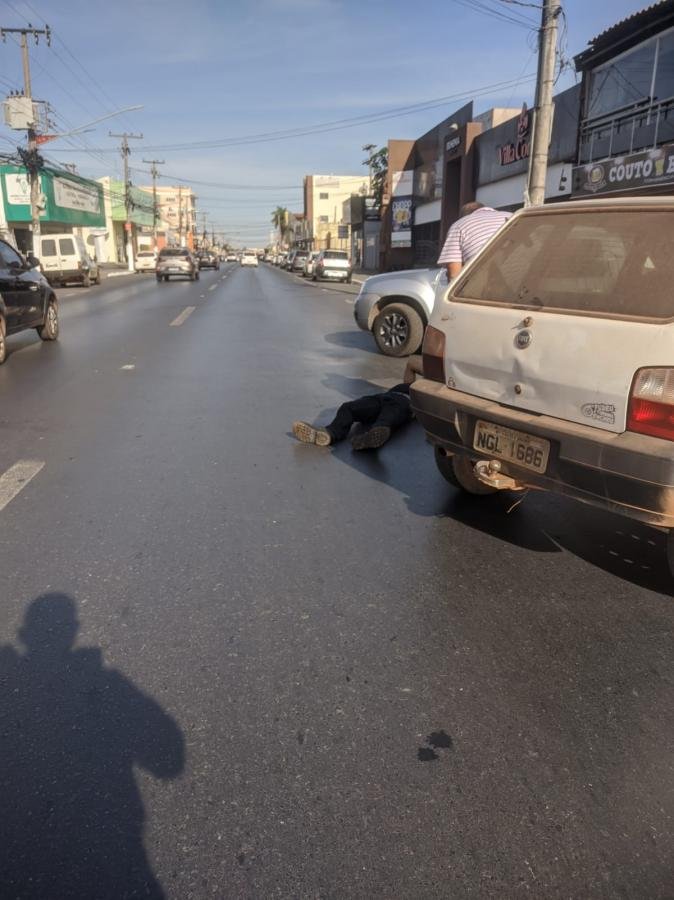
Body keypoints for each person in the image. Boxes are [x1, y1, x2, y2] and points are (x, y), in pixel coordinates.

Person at [293, 355, 423, 450]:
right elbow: (412, 363)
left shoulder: (432, 392)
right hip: (383, 397)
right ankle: (330, 433)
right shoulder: (409, 383)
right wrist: (433, 365)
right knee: (349, 408)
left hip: (404, 403)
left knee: (386, 419)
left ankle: (371, 438)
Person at [437, 201, 512, 280]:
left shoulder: (458, 225)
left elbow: (454, 274)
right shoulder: (511, 216)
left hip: (485, 283)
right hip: (520, 275)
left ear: (464, 216)